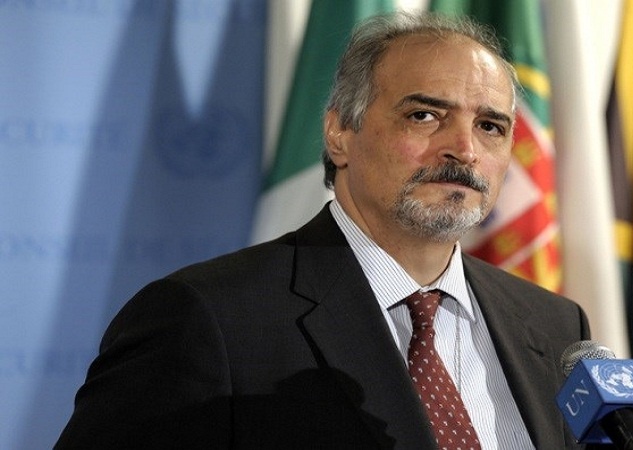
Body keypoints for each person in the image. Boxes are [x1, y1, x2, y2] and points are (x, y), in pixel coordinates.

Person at [56, 11, 592, 450]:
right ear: (339, 133)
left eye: (490, 126)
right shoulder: (206, 319)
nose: (465, 149)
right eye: (425, 116)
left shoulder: (556, 327)